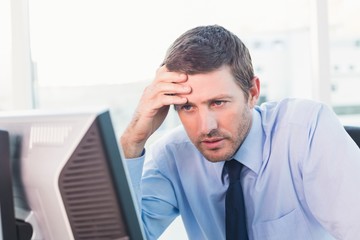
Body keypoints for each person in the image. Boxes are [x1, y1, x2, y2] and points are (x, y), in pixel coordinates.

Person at [120, 25, 360, 240]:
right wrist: (133, 140)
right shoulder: (172, 155)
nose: (206, 127)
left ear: (253, 92)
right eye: (188, 107)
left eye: (218, 102)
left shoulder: (305, 130)